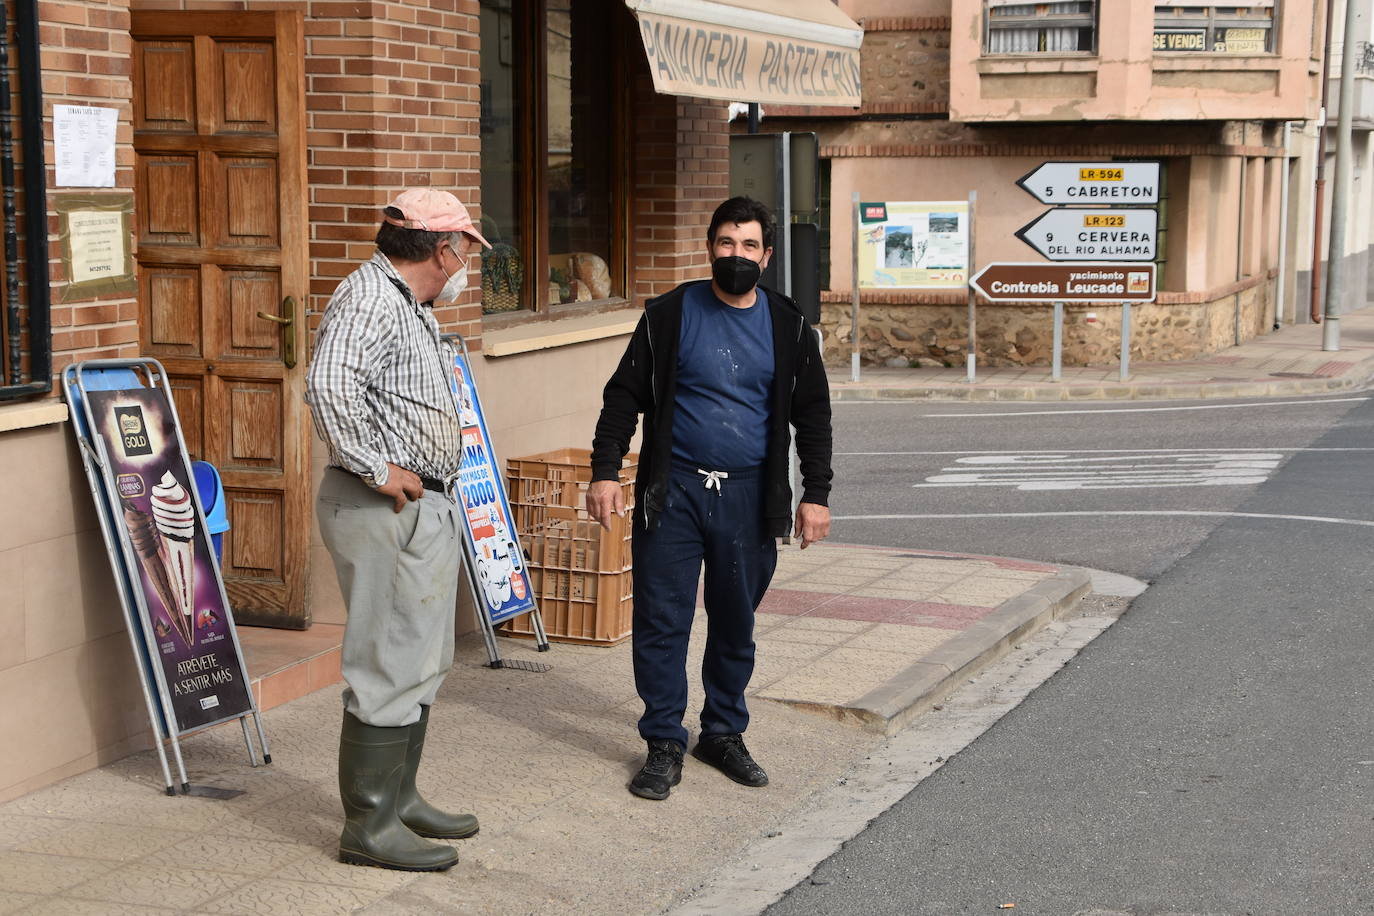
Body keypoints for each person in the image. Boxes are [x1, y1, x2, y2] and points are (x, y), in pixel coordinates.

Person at [588, 196, 833, 800]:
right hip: (674, 490)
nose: (737, 256)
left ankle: (722, 732)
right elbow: (623, 396)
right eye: (726, 243)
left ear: (767, 256)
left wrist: (816, 493)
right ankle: (664, 740)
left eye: (749, 246)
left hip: (750, 497)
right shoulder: (669, 316)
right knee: (661, 619)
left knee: (734, 621)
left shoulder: (789, 324)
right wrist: (603, 472)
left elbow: (813, 413)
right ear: (709, 248)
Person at [307, 188, 490, 871]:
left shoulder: (406, 301)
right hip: (381, 506)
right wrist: (376, 467)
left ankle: (400, 796)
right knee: (385, 661)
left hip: (419, 507)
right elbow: (329, 385)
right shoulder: (371, 296)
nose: (469, 259)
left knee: (419, 657)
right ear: (441, 249)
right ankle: (370, 824)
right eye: (466, 246)